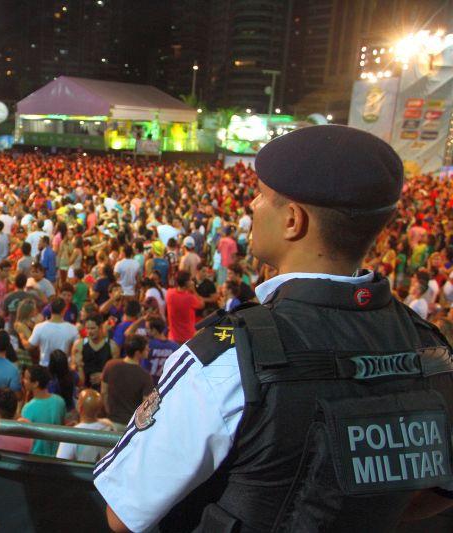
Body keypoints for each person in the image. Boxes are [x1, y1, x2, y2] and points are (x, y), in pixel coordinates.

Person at [94, 125, 453, 533]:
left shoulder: (230, 356)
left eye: (262, 194)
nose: (252, 203)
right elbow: (439, 492)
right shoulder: (432, 352)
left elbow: (123, 513)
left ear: (293, 220)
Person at [100, 335, 153, 431]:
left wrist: (108, 412)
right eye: (146, 349)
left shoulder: (110, 365)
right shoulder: (145, 376)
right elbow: (145, 406)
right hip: (131, 426)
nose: (148, 350)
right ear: (138, 353)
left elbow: (104, 392)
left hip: (111, 423)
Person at [56, 389, 116, 463]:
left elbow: (61, 463)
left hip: (81, 473)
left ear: (80, 408)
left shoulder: (71, 434)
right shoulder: (109, 425)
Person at [20, 364, 66, 456]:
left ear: (36, 383)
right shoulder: (59, 401)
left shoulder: (28, 408)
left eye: (26, 378)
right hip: (57, 455)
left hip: (35, 458)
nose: (23, 381)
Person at [27, 296, 80, 366]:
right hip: (65, 368)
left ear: (50, 309)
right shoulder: (73, 329)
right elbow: (78, 348)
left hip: (45, 367)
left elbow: (30, 346)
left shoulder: (39, 327)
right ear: (65, 309)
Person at [72, 313, 119, 389]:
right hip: (85, 388)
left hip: (105, 388)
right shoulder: (79, 345)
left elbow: (116, 371)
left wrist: (103, 375)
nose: (89, 331)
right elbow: (73, 367)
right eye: (87, 328)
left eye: (93, 328)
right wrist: (78, 365)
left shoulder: (112, 346)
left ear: (100, 327)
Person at [165, 270, 204, 343]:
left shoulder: (169, 293)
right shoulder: (190, 298)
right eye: (190, 280)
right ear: (187, 283)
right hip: (187, 337)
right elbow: (202, 304)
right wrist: (194, 291)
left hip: (173, 337)